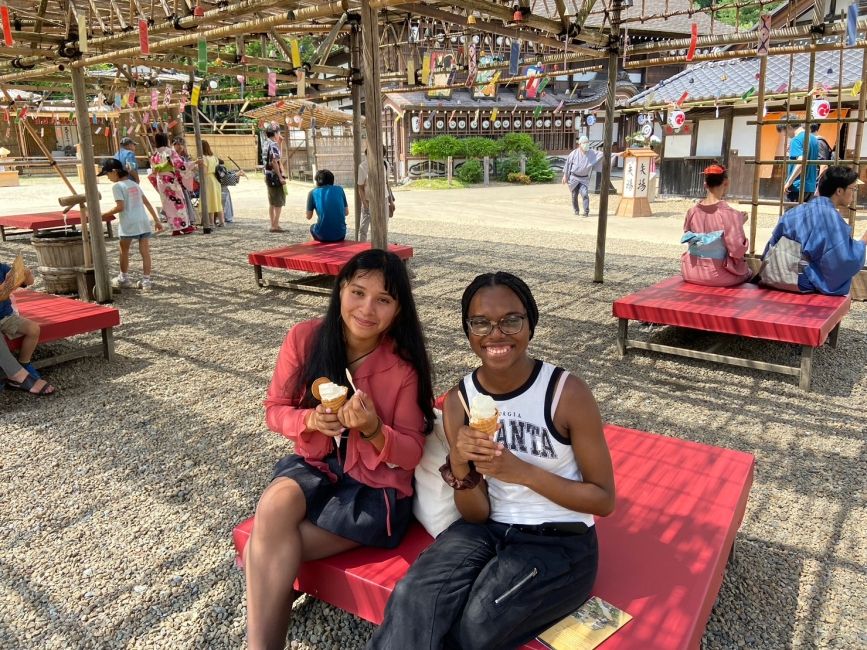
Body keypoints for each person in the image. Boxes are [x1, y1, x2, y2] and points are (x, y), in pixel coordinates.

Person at [368, 271, 615, 650]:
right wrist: (461, 464)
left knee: (475, 627)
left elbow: (603, 499)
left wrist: (522, 472)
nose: (495, 334)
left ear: (530, 324)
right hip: (486, 529)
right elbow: (475, 515)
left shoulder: (566, 393)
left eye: (511, 320)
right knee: (414, 597)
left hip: (559, 542)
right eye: (480, 323)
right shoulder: (460, 401)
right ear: (468, 331)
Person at [244, 249, 435, 650]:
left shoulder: (401, 368)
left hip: (374, 489)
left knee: (271, 545)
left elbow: (412, 452)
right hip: (318, 464)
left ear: (398, 310)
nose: (367, 309)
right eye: (358, 292)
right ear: (340, 291)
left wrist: (373, 428)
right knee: (275, 507)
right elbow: (274, 411)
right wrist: (309, 421)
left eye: (383, 299)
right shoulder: (305, 338)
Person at [762, 165, 866, 296]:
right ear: (839, 191)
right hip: (801, 280)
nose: (853, 194)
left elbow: (771, 245)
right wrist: (863, 241)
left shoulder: (796, 211)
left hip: (774, 271)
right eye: (853, 189)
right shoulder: (830, 217)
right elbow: (844, 259)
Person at [681, 163, 753, 287]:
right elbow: (737, 251)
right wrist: (738, 224)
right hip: (717, 275)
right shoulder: (731, 214)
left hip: (690, 270)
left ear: (705, 185)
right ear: (726, 183)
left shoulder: (692, 212)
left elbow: (690, 238)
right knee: (749, 272)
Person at [99, 158, 164, 291]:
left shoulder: (117, 186)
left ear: (114, 172)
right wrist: (156, 220)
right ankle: (146, 281)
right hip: (143, 221)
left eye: (107, 174)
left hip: (128, 223)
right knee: (145, 253)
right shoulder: (134, 184)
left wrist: (102, 215)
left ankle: (123, 278)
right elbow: (146, 202)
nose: (107, 177)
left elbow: (120, 207)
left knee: (124, 251)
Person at [0, 259, 49, 385]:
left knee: (33, 329)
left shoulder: (2, 268)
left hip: (6, 317)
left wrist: (26, 274)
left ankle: (24, 363)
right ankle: (8, 374)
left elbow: (29, 282)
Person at [562, 135, 623, 217]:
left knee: (585, 194)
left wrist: (617, 154)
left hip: (584, 178)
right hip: (574, 177)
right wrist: (565, 176)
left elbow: (604, 154)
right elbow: (567, 165)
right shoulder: (573, 154)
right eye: (584, 143)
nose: (586, 144)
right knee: (574, 195)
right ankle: (576, 210)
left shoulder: (592, 153)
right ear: (579, 144)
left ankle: (586, 212)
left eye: (587, 142)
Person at [148, 132, 196, 236]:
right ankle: (185, 226)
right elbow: (180, 165)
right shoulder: (170, 152)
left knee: (168, 204)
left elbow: (153, 169)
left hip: (161, 180)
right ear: (166, 140)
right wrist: (193, 163)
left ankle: (175, 228)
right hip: (170, 180)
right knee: (179, 202)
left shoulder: (154, 155)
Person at [357, 144, 395, 242]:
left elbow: (386, 183)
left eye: (380, 155)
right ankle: (362, 249)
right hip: (369, 200)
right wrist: (365, 205)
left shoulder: (385, 164)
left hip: (384, 199)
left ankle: (381, 248)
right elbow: (360, 187)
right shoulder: (363, 166)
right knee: (363, 228)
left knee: (384, 227)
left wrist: (391, 201)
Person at [305, 169, 349, 242]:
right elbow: (346, 213)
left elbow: (308, 217)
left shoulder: (312, 192)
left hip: (322, 235)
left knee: (312, 227)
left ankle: (315, 250)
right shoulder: (340, 189)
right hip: (341, 234)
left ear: (318, 181)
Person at [783, 120, 820, 203]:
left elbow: (801, 161)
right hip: (810, 187)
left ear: (789, 127)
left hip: (797, 186)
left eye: (785, 132)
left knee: (792, 215)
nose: (786, 135)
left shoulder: (796, 140)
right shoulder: (814, 139)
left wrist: (789, 182)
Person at [197, 140, 224, 233]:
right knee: (217, 201)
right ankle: (222, 221)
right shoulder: (214, 157)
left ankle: (211, 223)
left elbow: (204, 172)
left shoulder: (203, 158)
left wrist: (196, 168)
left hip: (208, 180)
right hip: (216, 180)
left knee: (209, 201)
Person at [172, 137, 199, 227]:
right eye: (177, 144)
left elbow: (186, 167)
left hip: (183, 182)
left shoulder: (183, 157)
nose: (179, 146)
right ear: (173, 145)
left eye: (181, 144)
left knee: (186, 201)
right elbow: (181, 167)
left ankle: (187, 221)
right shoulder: (172, 157)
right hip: (175, 182)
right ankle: (182, 222)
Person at [263, 127, 286, 233]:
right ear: (275, 133)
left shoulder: (266, 143)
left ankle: (274, 224)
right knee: (278, 202)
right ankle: (275, 225)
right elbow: (274, 161)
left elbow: (277, 157)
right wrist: (280, 177)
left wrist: (280, 143)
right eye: (278, 133)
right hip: (274, 176)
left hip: (267, 176)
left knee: (272, 202)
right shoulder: (273, 144)